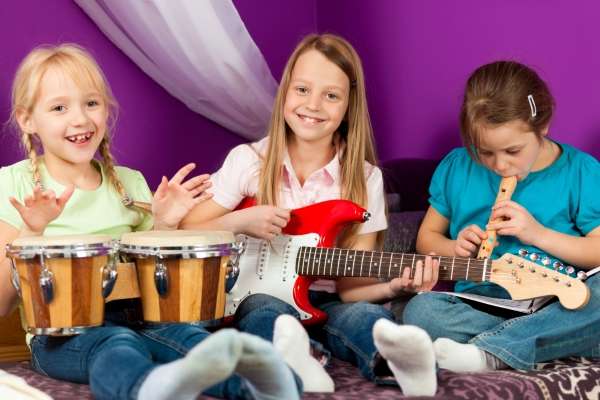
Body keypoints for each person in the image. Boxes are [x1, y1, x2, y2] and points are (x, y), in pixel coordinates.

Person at [0, 43, 300, 400]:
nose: (80, 119)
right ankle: (148, 389)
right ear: (27, 119)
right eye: (59, 107)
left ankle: (266, 387)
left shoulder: (130, 182)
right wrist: (32, 232)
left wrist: (166, 226)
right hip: (61, 337)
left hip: (142, 317)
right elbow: (2, 303)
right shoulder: (13, 184)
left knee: (192, 340)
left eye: (91, 103)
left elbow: (153, 280)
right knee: (116, 345)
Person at [181, 33, 439, 391]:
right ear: (285, 92)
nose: (313, 105)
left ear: (349, 106)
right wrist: (237, 222)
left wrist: (395, 285)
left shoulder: (365, 179)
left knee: (367, 317)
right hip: (259, 297)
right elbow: (187, 231)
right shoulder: (249, 161)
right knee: (262, 313)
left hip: (330, 302)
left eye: (331, 95)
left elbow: (350, 291)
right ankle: (300, 360)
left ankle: (399, 365)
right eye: (302, 90)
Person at [372, 60, 600, 396]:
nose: (499, 164)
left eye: (512, 151)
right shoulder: (457, 167)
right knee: (421, 311)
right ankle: (529, 343)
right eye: (485, 152)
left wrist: (537, 233)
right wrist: (455, 247)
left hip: (559, 298)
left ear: (543, 125)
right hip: (481, 302)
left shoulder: (581, 171)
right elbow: (426, 240)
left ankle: (488, 353)